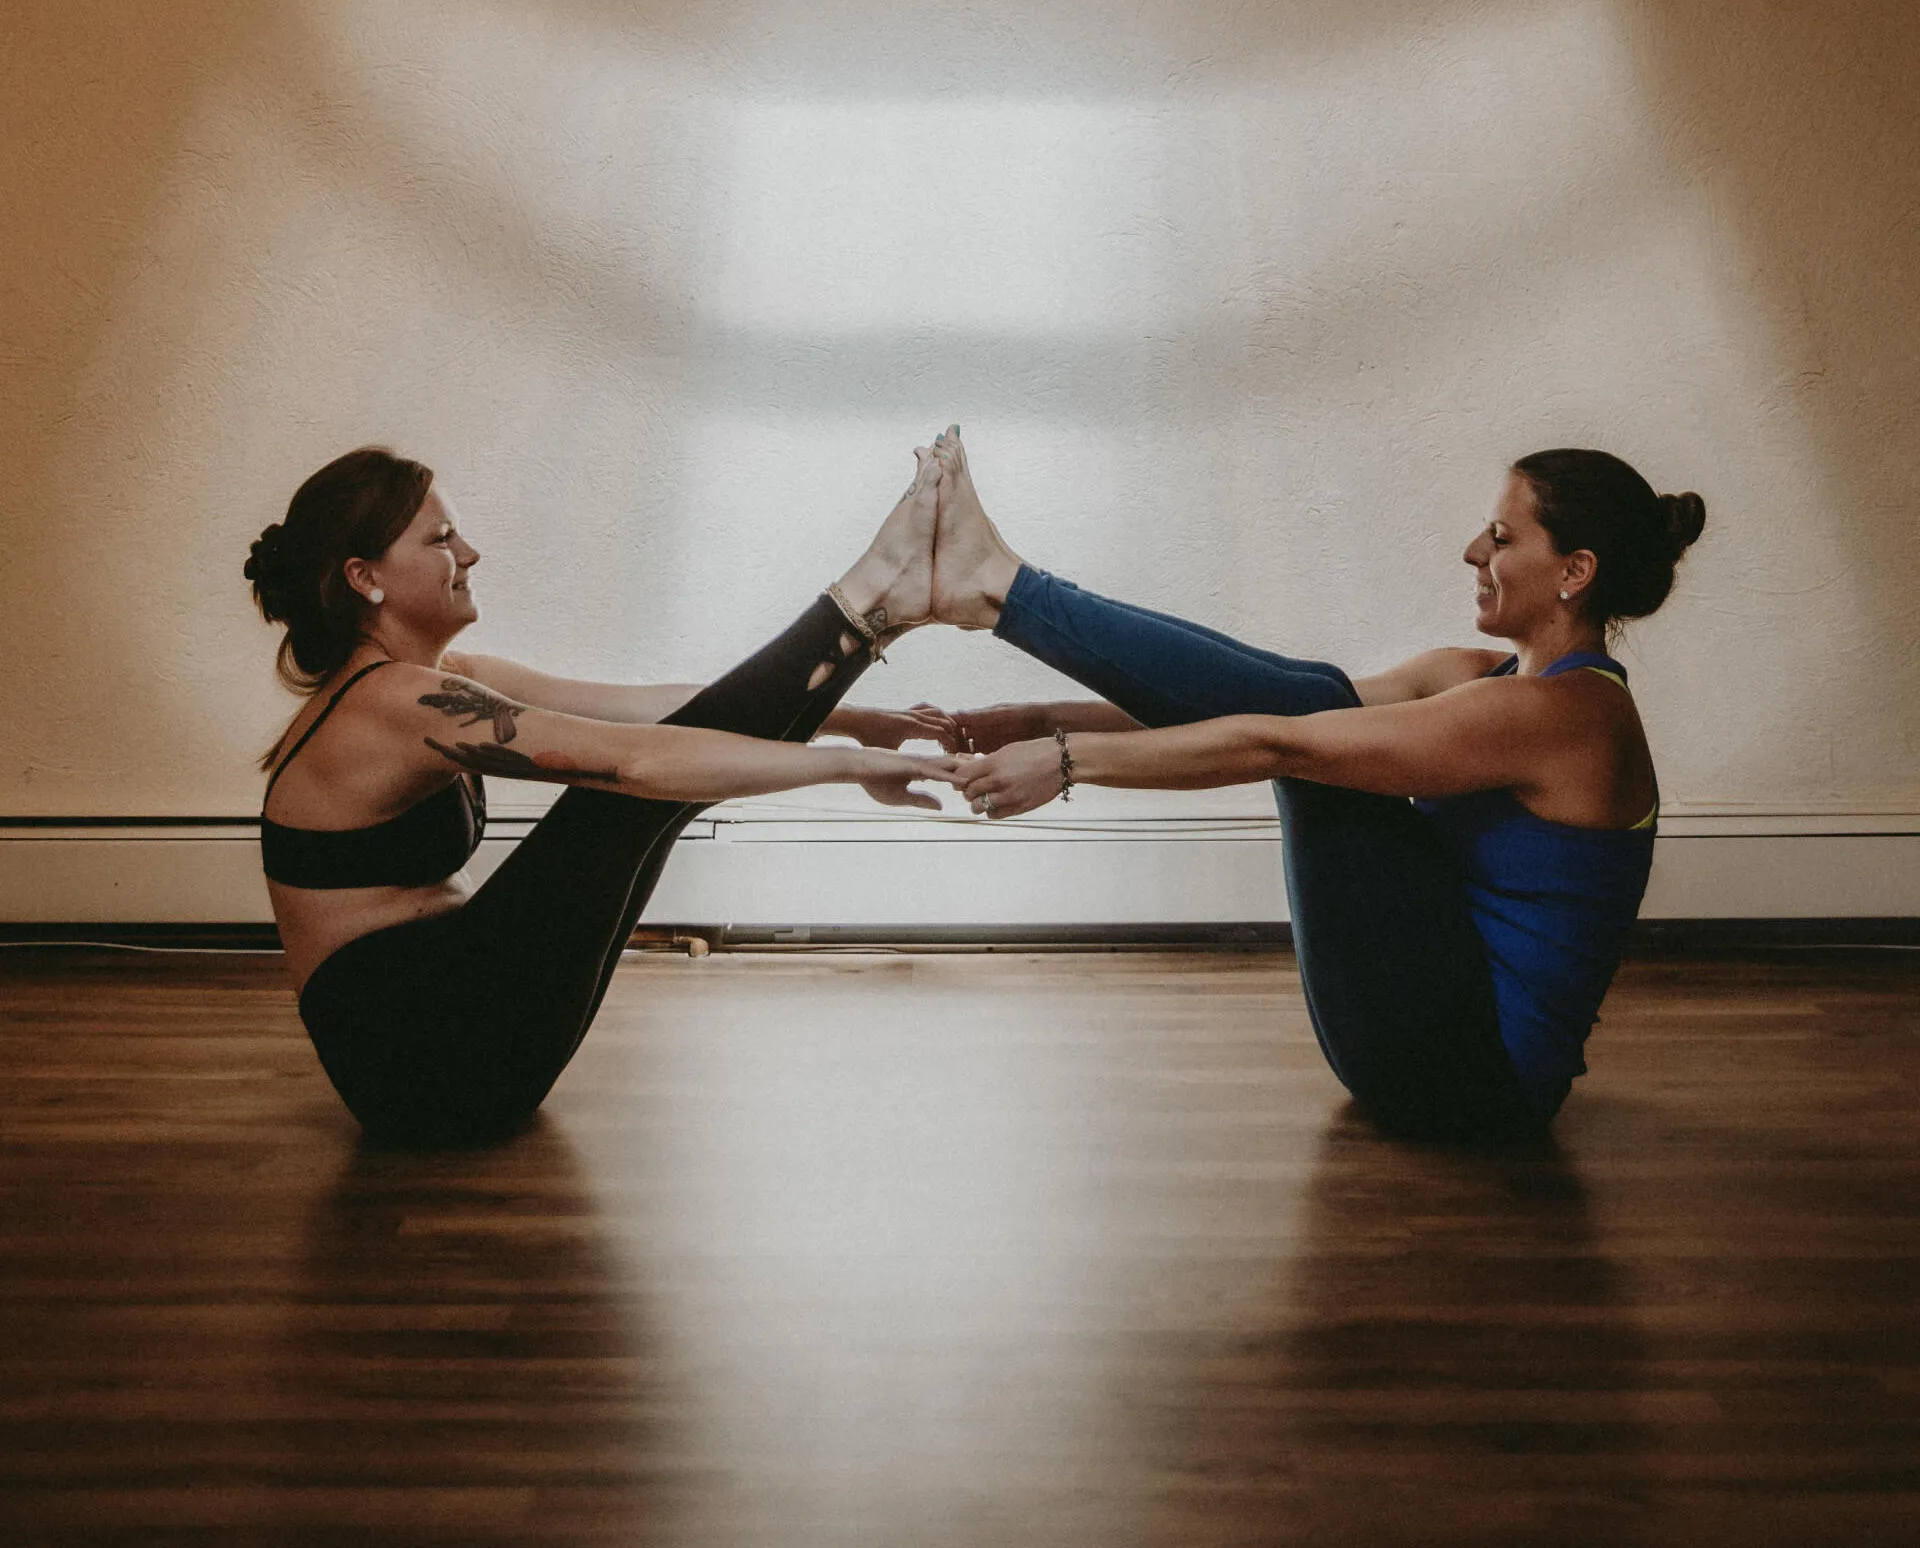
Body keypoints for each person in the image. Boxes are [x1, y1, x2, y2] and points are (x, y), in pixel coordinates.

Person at [930, 428, 1706, 1143]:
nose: (1474, 551)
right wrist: (1026, 718)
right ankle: (999, 587)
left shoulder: (1572, 715)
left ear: (1575, 571)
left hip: (1475, 1087)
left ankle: (1001, 586)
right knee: (1307, 699)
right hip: (1410, 1044)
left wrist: (1067, 761)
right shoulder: (1475, 680)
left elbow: (1280, 739)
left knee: (1309, 733)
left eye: (1502, 539)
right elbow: (1266, 704)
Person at [246, 445, 957, 1146]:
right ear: (364, 577)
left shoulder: (434, 677)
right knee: (623, 790)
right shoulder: (394, 701)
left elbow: (659, 709)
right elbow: (641, 761)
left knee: (646, 777)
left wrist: (863, 722)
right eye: (440, 539)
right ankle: (870, 597)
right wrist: (847, 765)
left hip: (451, 1035)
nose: (470, 552)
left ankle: (875, 606)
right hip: (423, 1067)